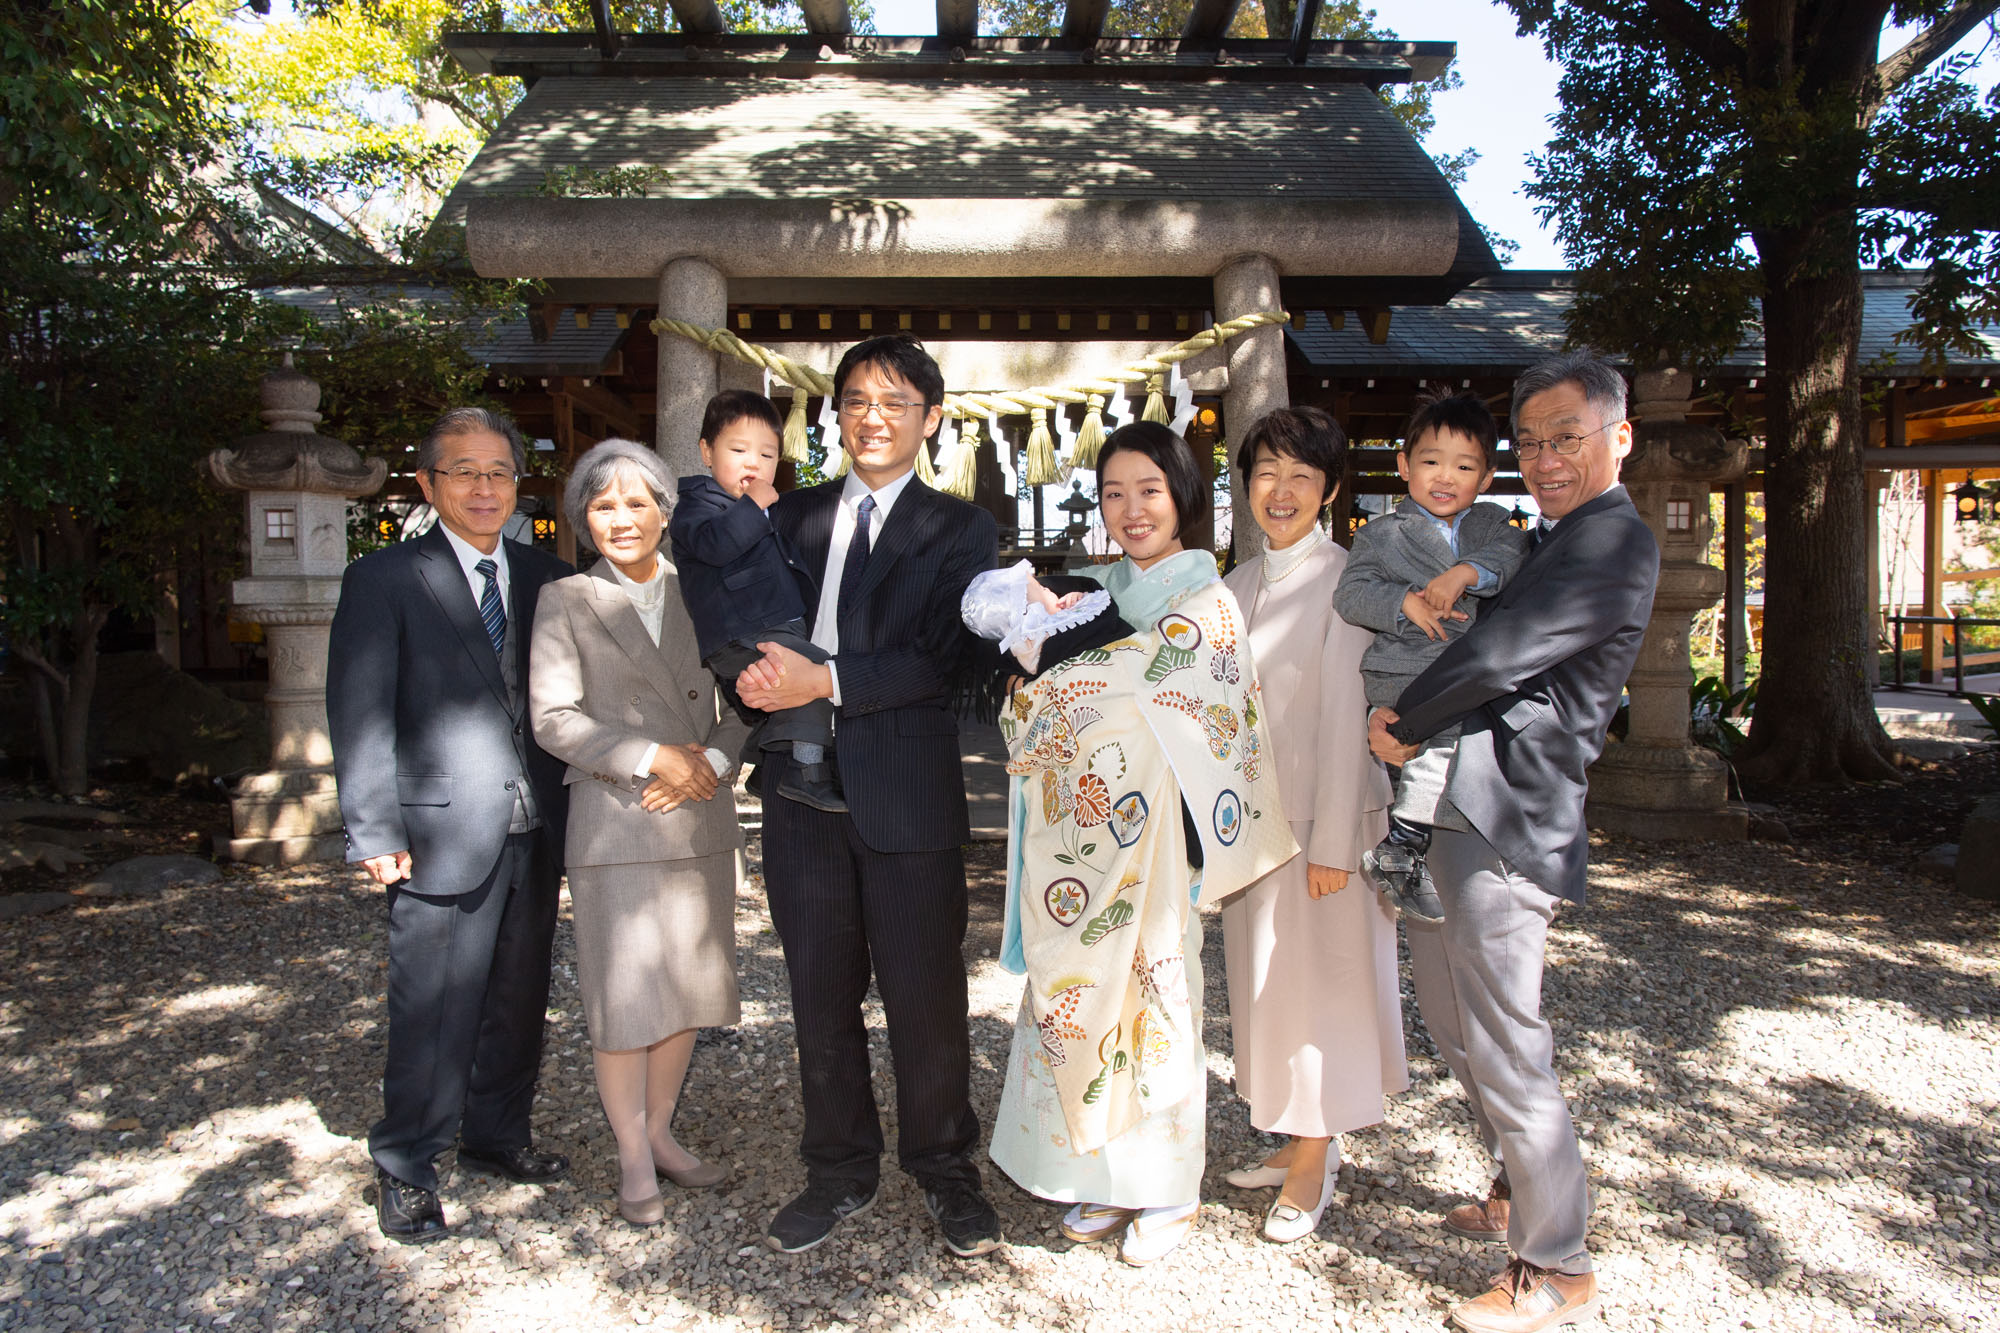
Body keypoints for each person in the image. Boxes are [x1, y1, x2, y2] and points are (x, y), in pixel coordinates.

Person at [1368, 351, 1659, 1333]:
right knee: (1456, 1023)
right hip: (1457, 808)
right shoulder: (1550, 537)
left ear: (1617, 436)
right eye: (1528, 443)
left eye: (1563, 437)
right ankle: (1513, 1188)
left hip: (1508, 815)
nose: (1543, 458)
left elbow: (1499, 654)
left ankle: (1555, 1265)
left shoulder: (1608, 541)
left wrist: (1403, 718)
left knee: (1507, 1042)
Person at [986, 422, 1296, 1267]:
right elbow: (1024, 690)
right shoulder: (1089, 593)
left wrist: (1055, 678)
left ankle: (1167, 1186)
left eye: (1149, 491)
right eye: (1114, 493)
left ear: (1183, 498)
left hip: (1160, 837)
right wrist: (1028, 679)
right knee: (1078, 994)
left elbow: (1141, 683)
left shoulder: (1206, 602)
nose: (1131, 510)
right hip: (1081, 846)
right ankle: (1098, 1173)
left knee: (1158, 1002)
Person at [732, 335, 1004, 1258]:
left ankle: (944, 1165)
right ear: (834, 413)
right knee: (819, 991)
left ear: (930, 416)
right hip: (799, 791)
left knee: (926, 993)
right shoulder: (789, 516)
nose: (872, 416)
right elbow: (740, 619)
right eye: (854, 399)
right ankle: (838, 1165)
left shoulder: (960, 527)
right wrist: (757, 678)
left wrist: (825, 681)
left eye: (894, 401)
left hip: (909, 787)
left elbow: (943, 656)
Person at [327, 406, 573, 1244]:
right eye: (462, 471)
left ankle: (497, 1134)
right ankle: (406, 1163)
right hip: (435, 827)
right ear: (429, 483)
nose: (482, 486)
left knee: (519, 992)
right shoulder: (386, 578)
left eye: (498, 471)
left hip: (537, 821)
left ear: (516, 483)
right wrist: (371, 826)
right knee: (433, 1003)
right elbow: (358, 709)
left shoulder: (547, 575)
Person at [528, 439, 753, 1227]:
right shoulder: (566, 599)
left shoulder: (708, 592)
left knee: (687, 989)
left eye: (636, 502)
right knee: (623, 997)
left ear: (666, 509)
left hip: (699, 813)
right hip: (618, 814)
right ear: (582, 519)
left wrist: (714, 765)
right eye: (602, 504)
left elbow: (746, 703)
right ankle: (630, 1151)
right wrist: (655, 756)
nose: (621, 519)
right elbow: (554, 717)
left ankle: (660, 1132)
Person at [1217, 406, 1408, 1244]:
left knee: (1321, 993)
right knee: (1264, 990)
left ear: (1329, 489)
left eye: (1301, 475)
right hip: (1251, 826)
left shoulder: (1346, 580)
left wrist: (1337, 843)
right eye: (1267, 473)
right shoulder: (1233, 587)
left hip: (1323, 820)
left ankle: (1314, 1155)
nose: (1281, 491)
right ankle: (1294, 1131)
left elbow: (1344, 717)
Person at [1333, 391, 1528, 924]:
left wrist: (1463, 573)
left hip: (1460, 669)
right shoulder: (1381, 533)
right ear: (1404, 466)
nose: (1445, 477)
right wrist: (1402, 603)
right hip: (1404, 667)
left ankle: (1405, 845)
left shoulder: (1490, 526)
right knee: (1447, 740)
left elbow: (1511, 556)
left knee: (1445, 745)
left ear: (1486, 476)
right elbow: (1350, 594)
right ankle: (1405, 844)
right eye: (1431, 461)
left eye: (1464, 466)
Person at [667, 391, 842, 812]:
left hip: (763, 627)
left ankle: (767, 763)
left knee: (799, 683)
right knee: (816, 676)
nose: (753, 463)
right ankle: (807, 771)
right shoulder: (695, 507)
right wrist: (752, 506)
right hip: (741, 632)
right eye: (738, 449)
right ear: (706, 452)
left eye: (767, 455)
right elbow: (716, 545)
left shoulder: (753, 511)